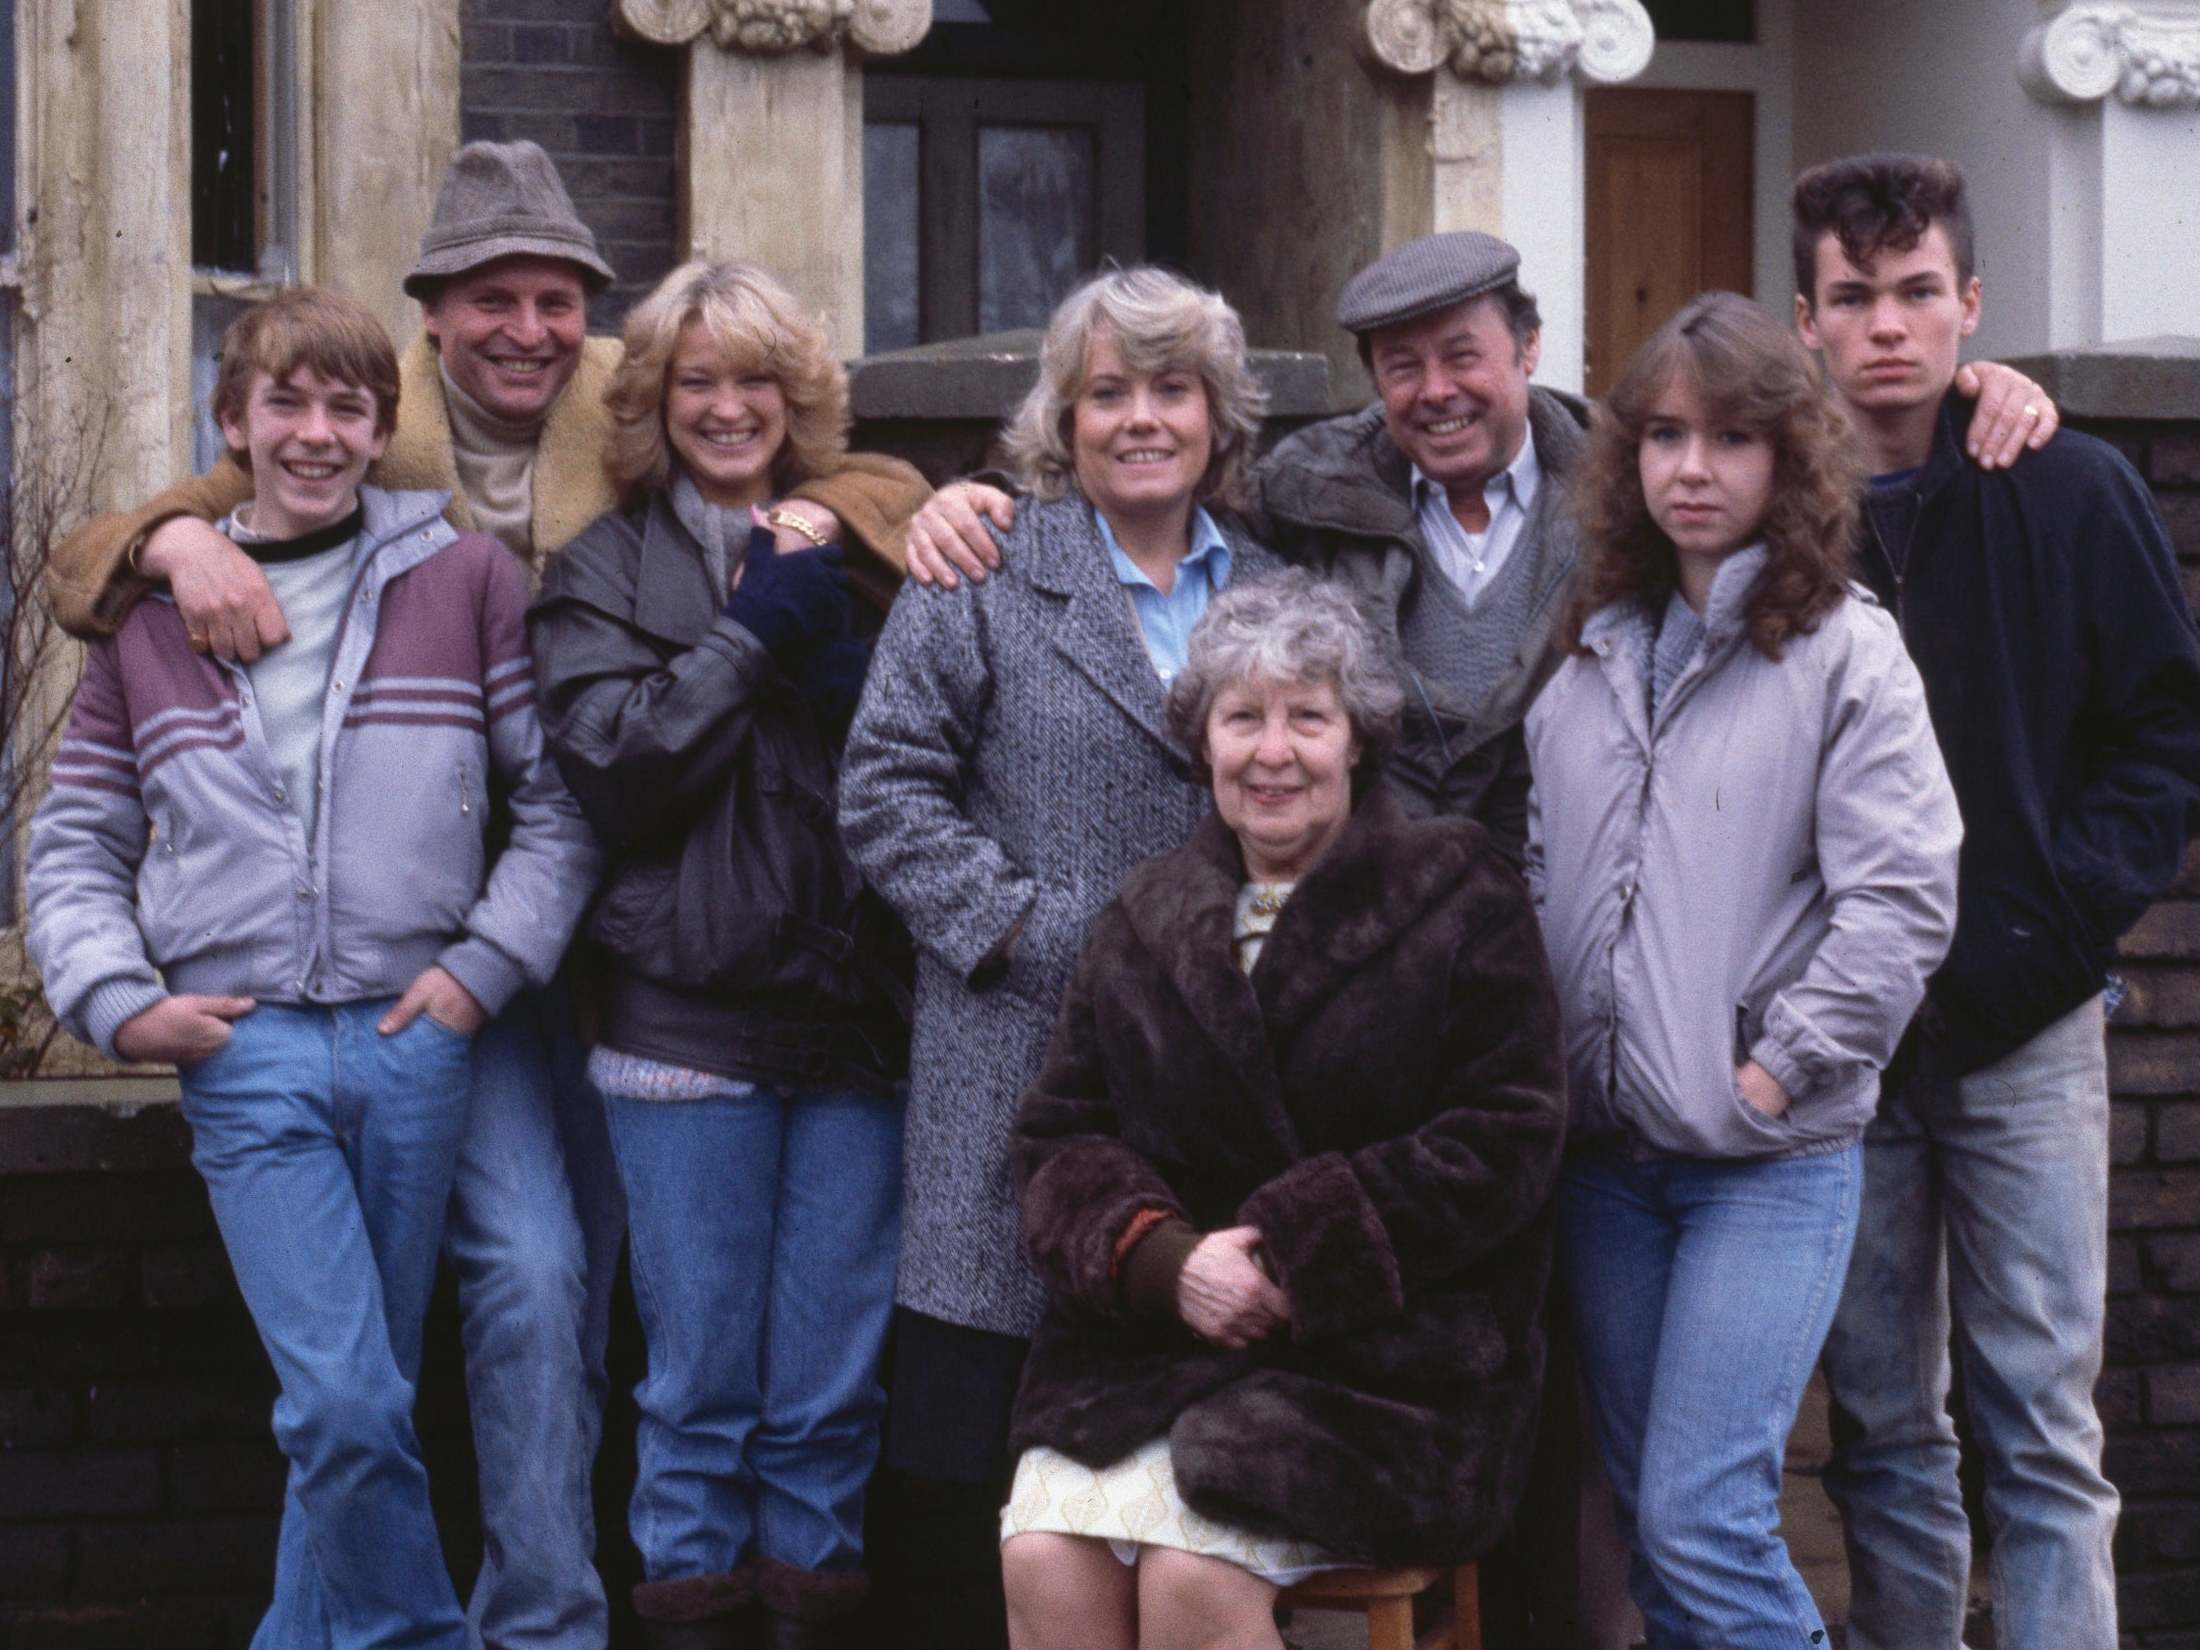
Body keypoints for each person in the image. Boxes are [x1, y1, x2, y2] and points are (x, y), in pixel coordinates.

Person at [41, 141, 929, 1650]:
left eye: (558, 301)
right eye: (494, 300)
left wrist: (835, 517)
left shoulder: (623, 395)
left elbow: (816, 448)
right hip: (409, 955)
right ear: (430, 321)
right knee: (364, 1362)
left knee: (548, 1282)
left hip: (548, 943)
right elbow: (129, 544)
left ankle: (546, 1616)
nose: (531, 330)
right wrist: (170, 537)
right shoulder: (361, 418)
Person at [24, 287, 600, 1650]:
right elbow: (72, 847)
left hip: (416, 1035)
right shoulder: (150, 624)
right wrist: (121, 999)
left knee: (360, 1402)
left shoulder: (463, 582)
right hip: (249, 1047)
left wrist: (479, 969)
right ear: (233, 423)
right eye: (285, 403)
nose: (317, 431)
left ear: (381, 430)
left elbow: (560, 806)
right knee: (342, 1398)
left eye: (348, 407)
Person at [999, 571, 1568, 1650]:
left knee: (1189, 1576)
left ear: (1356, 738)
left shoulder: (1457, 891)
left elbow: (1509, 1133)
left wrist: (1292, 1256)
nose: (1273, 753)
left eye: (1307, 717)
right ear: (1201, 740)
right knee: (1041, 1557)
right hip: (1155, 1347)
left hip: (1391, 1371)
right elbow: (1057, 1140)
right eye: (1241, 718)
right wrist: (1164, 1261)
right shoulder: (1144, 914)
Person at [837, 266, 1279, 1650]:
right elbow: (883, 791)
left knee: (1156, 1453)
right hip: (1013, 1065)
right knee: (972, 1454)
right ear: (1062, 420)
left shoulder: (1274, 593)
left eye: (1171, 389)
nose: (1140, 418)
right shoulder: (980, 571)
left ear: (1218, 416)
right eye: (1108, 393)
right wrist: (1033, 933)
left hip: (1219, 1083)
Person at [1792, 154, 2200, 1650]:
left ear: (1970, 305)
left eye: (1916, 293)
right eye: (1854, 297)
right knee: (1887, 1428)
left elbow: (2164, 733)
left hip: (2028, 1023)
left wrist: (2058, 925)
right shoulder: (1775, 514)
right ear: (1808, 319)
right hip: (1850, 1037)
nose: (1887, 326)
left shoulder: (2073, 485)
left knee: (2042, 1422)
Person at [1525, 290, 1962, 1647]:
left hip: (1764, 1161)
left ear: (1790, 458)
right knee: (1660, 1533)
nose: (1691, 469)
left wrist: (1771, 1076)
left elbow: (1900, 904)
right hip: (1607, 1165)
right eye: (1662, 436)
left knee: (1706, 1522)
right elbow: (1545, 872)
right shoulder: (1589, 651)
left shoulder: (1848, 652)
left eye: (1728, 438)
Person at [528, 260, 913, 1650]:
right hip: (679, 1026)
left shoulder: (873, 549)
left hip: (858, 1025)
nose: (732, 405)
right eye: (700, 380)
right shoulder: (602, 569)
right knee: (696, 1392)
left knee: (828, 1395)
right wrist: (752, 635)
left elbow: (927, 761)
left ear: (799, 398)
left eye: (760, 380)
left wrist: (833, 622)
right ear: (655, 402)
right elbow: (619, 773)